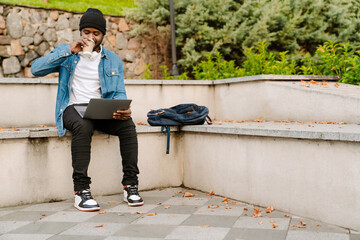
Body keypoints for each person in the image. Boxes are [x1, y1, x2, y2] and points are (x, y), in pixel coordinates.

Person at [31, 8, 144, 211]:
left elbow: (118, 92)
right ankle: (81, 191)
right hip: (72, 108)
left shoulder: (113, 60)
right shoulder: (68, 53)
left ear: (102, 36)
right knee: (83, 125)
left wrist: (122, 108)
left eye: (95, 33)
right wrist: (68, 50)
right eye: (86, 32)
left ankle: (131, 185)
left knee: (128, 125)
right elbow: (36, 69)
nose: (90, 37)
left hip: (99, 109)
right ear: (80, 32)